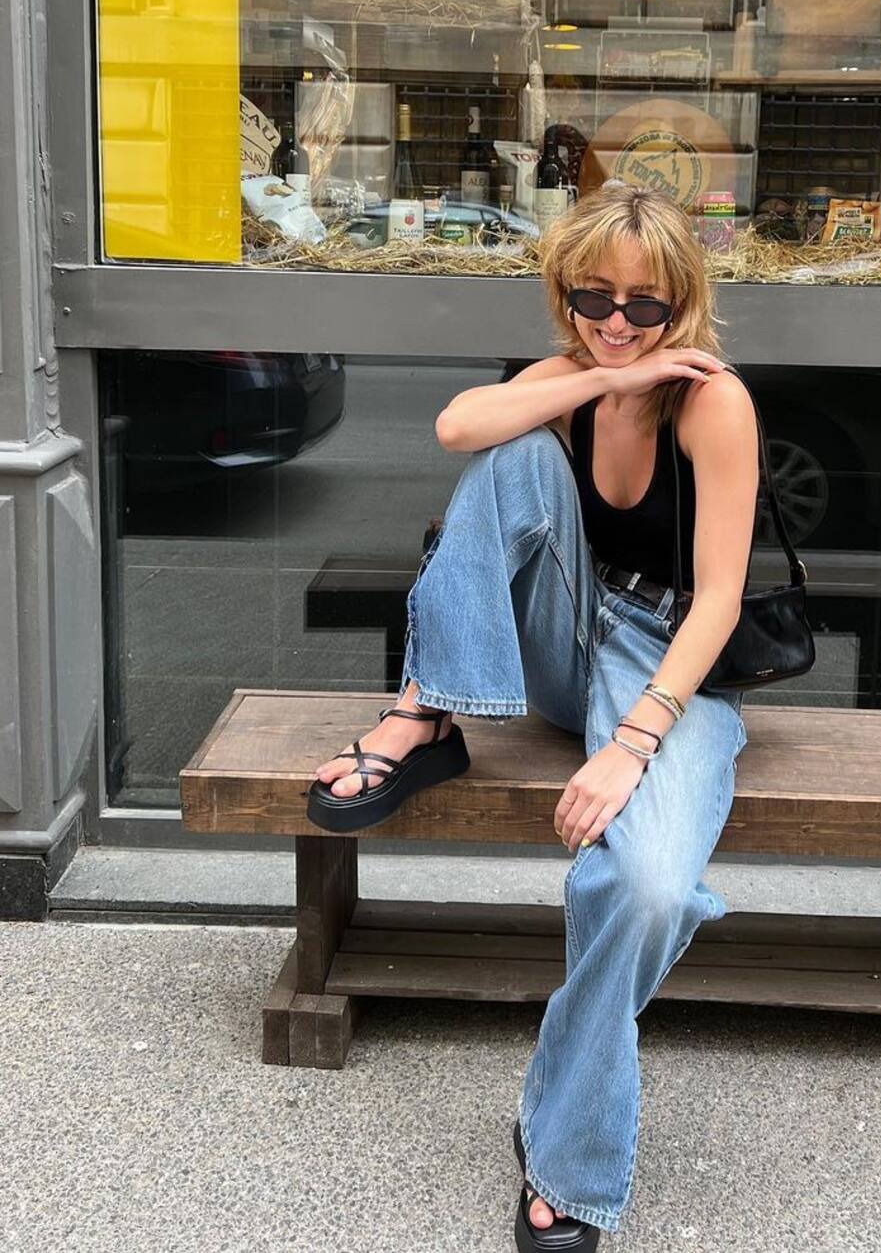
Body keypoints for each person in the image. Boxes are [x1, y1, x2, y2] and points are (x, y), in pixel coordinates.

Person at [308, 181, 759, 1250]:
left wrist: (631, 746)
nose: (618, 321)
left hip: (668, 663)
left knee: (649, 888)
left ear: (683, 300)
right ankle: (428, 714)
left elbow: (722, 600)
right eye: (594, 297)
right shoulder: (580, 373)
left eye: (645, 305)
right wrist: (609, 374)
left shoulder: (713, 401)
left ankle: (560, 1119)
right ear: (565, 294)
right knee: (508, 453)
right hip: (568, 637)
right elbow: (456, 425)